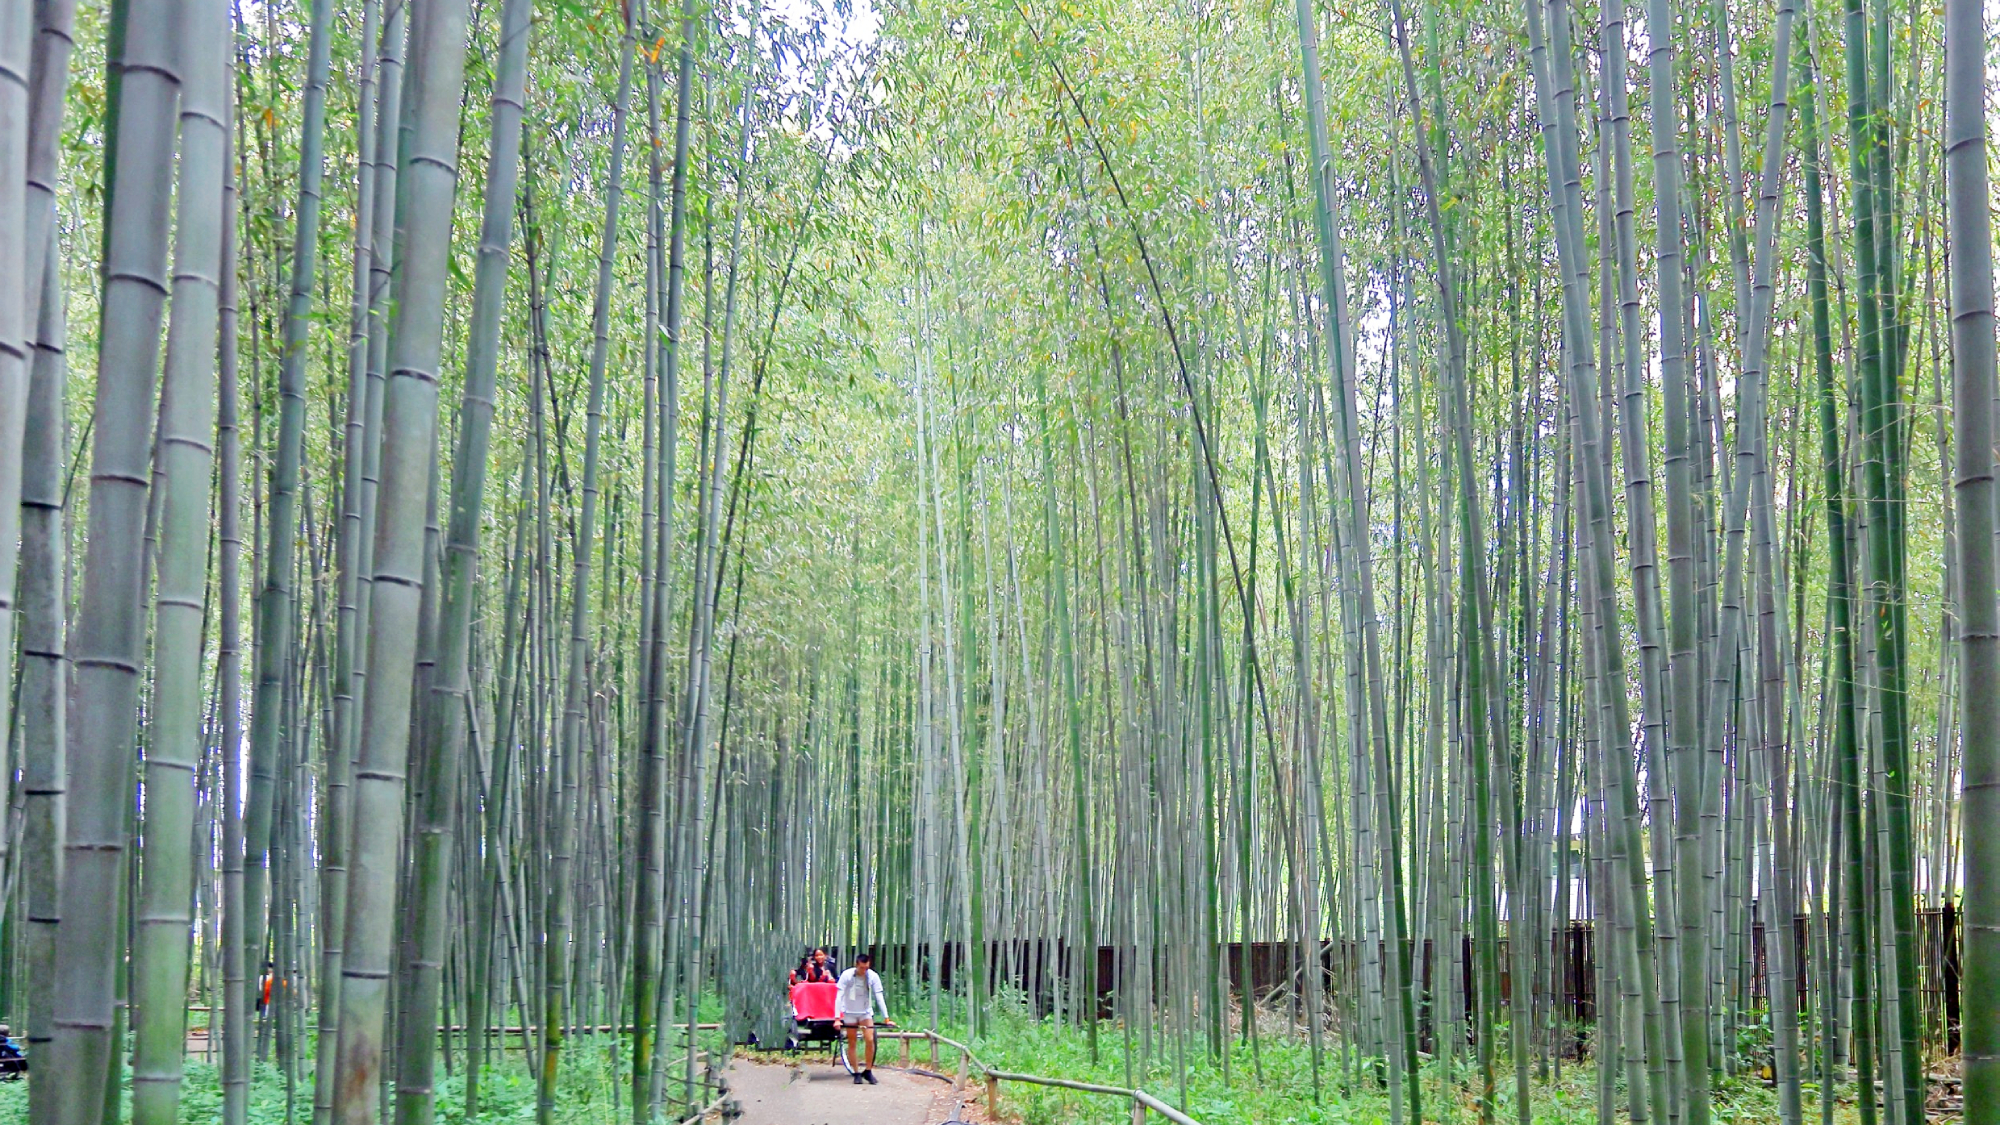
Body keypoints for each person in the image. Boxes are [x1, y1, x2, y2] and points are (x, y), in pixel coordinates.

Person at [836, 951, 889, 1084]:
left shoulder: (872, 976)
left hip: (865, 1011)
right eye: (861, 968)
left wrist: (886, 1017)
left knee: (870, 1039)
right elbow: (839, 996)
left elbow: (879, 996)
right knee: (852, 1041)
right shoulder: (847, 975)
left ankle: (868, 1070)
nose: (864, 970)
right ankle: (856, 1072)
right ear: (856, 965)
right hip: (849, 1012)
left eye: (866, 968)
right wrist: (837, 1017)